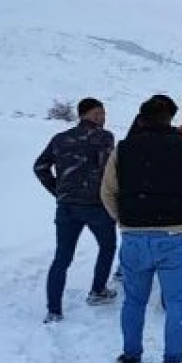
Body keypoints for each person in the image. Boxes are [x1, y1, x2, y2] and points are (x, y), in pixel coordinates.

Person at [100, 95, 182, 363]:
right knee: (177, 303)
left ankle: (131, 357)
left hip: (134, 236)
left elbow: (107, 192)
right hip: (175, 235)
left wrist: (125, 221)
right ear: (170, 119)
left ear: (142, 118)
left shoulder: (123, 149)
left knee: (134, 300)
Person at [33, 97, 118, 323]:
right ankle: (98, 291)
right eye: (100, 113)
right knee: (107, 247)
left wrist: (58, 191)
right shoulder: (105, 138)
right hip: (97, 206)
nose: (104, 117)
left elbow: (40, 167)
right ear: (88, 114)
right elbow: (112, 170)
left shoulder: (60, 139)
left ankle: (54, 310)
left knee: (62, 257)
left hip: (67, 207)